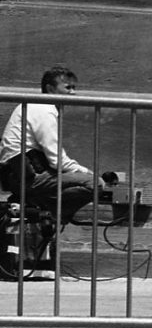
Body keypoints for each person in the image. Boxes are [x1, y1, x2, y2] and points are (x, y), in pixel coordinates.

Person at [0, 66, 96, 224]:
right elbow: (57, 160)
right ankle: (52, 213)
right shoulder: (44, 109)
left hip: (19, 174)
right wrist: (89, 173)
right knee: (94, 184)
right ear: (50, 89)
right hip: (28, 177)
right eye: (68, 88)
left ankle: (45, 208)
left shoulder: (36, 106)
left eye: (74, 88)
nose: (73, 93)